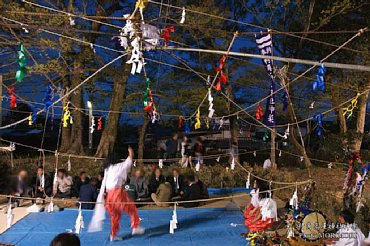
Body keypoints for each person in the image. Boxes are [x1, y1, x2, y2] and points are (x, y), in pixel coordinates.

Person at [89, 147, 144, 241]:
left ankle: (113, 235)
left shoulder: (108, 169)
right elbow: (129, 160)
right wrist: (130, 151)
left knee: (115, 216)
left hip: (109, 195)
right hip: (117, 193)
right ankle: (135, 227)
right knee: (131, 208)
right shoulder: (118, 167)